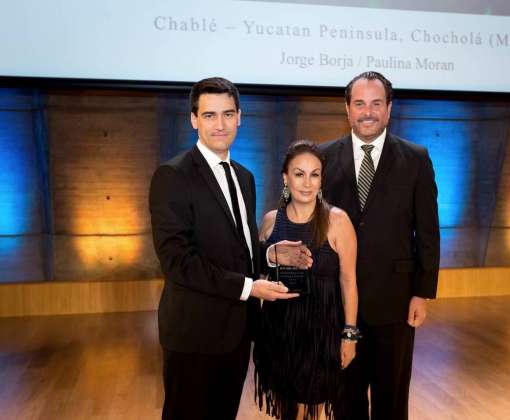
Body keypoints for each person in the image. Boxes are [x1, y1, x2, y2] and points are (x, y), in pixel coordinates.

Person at [149, 77, 311, 420]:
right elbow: (177, 261)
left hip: (236, 332)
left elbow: (237, 245)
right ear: (193, 119)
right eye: (209, 115)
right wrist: (250, 287)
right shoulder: (172, 176)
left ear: (240, 116)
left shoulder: (244, 176)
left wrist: (268, 253)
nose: (219, 124)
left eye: (227, 114)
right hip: (193, 333)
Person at [320, 71, 440, 420]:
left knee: (391, 401)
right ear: (347, 109)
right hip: (339, 305)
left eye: (376, 103)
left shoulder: (416, 158)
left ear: (389, 109)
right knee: (345, 400)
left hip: (396, 302)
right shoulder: (323, 158)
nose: (367, 112)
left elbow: (428, 231)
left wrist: (422, 292)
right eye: (359, 104)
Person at [254, 140, 360, 420]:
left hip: (321, 332)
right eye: (299, 174)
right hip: (279, 329)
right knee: (288, 409)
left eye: (315, 174)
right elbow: (258, 274)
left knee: (314, 403)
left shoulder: (338, 221)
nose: (307, 182)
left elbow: (349, 281)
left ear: (322, 179)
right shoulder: (269, 222)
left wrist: (349, 335)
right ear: (285, 178)